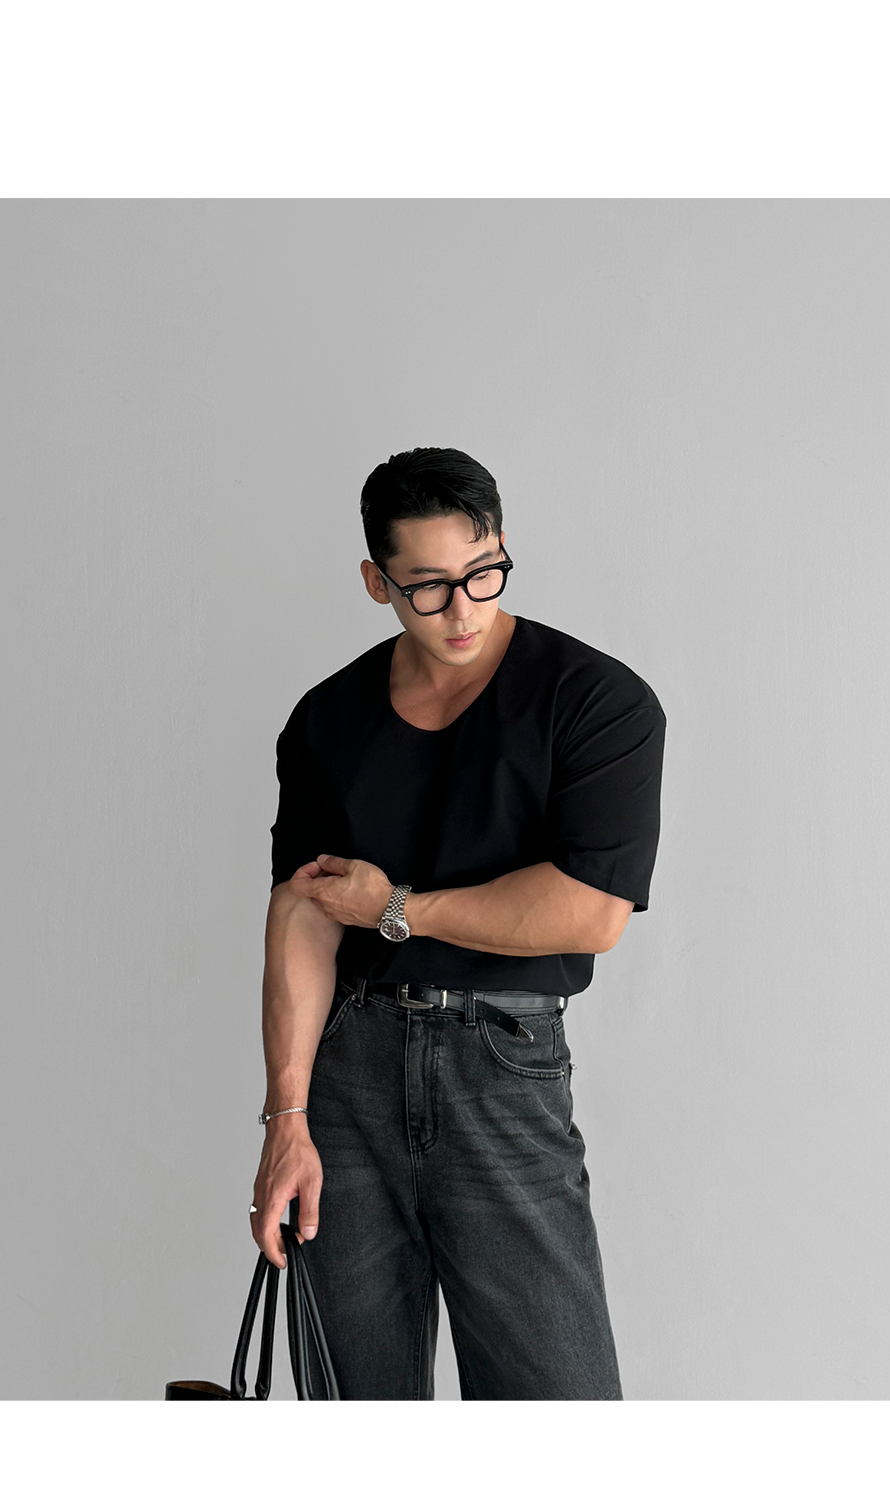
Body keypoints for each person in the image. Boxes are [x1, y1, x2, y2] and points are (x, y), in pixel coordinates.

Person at [250, 447, 666, 1400]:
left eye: (484, 572)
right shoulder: (327, 718)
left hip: (502, 1065)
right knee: (357, 1405)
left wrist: (394, 908)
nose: (464, 608)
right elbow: (302, 911)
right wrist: (287, 1117)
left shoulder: (596, 700)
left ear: (503, 546)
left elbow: (590, 910)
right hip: (348, 1075)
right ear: (377, 582)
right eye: (429, 587)